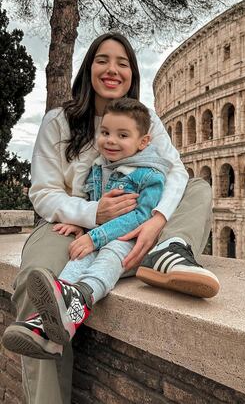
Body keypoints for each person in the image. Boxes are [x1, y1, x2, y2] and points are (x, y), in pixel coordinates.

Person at [2, 32, 219, 404]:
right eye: (103, 60)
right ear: (89, 68)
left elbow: (177, 173)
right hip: (69, 225)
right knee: (35, 282)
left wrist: (156, 218)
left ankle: (168, 250)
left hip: (139, 226)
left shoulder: (146, 120)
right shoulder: (59, 120)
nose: (112, 69)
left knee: (199, 188)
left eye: (123, 63)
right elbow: (42, 192)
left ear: (133, 74)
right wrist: (91, 212)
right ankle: (46, 344)